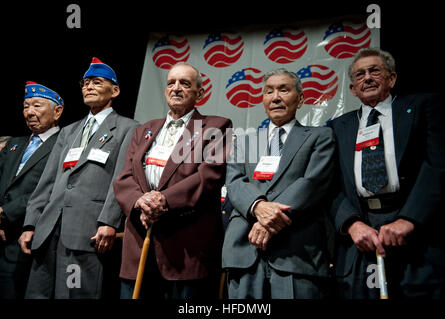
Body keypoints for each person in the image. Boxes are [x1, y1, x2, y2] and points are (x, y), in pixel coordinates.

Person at [328, 47, 445, 299]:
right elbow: (329, 184)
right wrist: (351, 224)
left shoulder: (422, 107)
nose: (367, 78)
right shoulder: (338, 126)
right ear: (352, 89)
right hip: (361, 228)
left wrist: (409, 219)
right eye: (360, 75)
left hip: (414, 228)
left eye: (375, 71)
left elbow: (437, 165)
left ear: (392, 78)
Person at [18, 57, 139, 298]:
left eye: (96, 82)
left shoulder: (128, 128)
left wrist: (108, 221)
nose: (89, 87)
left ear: (114, 90)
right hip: (48, 230)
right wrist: (31, 223)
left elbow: (122, 178)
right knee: (37, 294)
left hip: (87, 230)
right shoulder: (69, 130)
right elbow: (48, 181)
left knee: (75, 294)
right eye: (85, 83)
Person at [113, 62, 232, 299]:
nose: (176, 88)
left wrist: (162, 200)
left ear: (200, 92)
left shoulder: (216, 127)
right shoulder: (144, 129)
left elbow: (208, 176)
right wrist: (140, 202)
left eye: (185, 83)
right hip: (139, 243)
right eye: (171, 83)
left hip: (186, 249)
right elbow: (125, 177)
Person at [222, 68, 335, 299]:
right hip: (244, 249)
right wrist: (257, 206)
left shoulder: (319, 136)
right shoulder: (245, 141)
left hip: (296, 251)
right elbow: (234, 181)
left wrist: (267, 221)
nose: (275, 97)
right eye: (268, 91)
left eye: (284, 90)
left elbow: (312, 182)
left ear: (300, 99)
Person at [0, 82, 63, 299]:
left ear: (57, 111)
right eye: (26, 106)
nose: (29, 112)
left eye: (36, 105)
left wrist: (6, 213)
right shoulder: (13, 144)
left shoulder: (63, 145)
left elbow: (52, 188)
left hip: (29, 236)